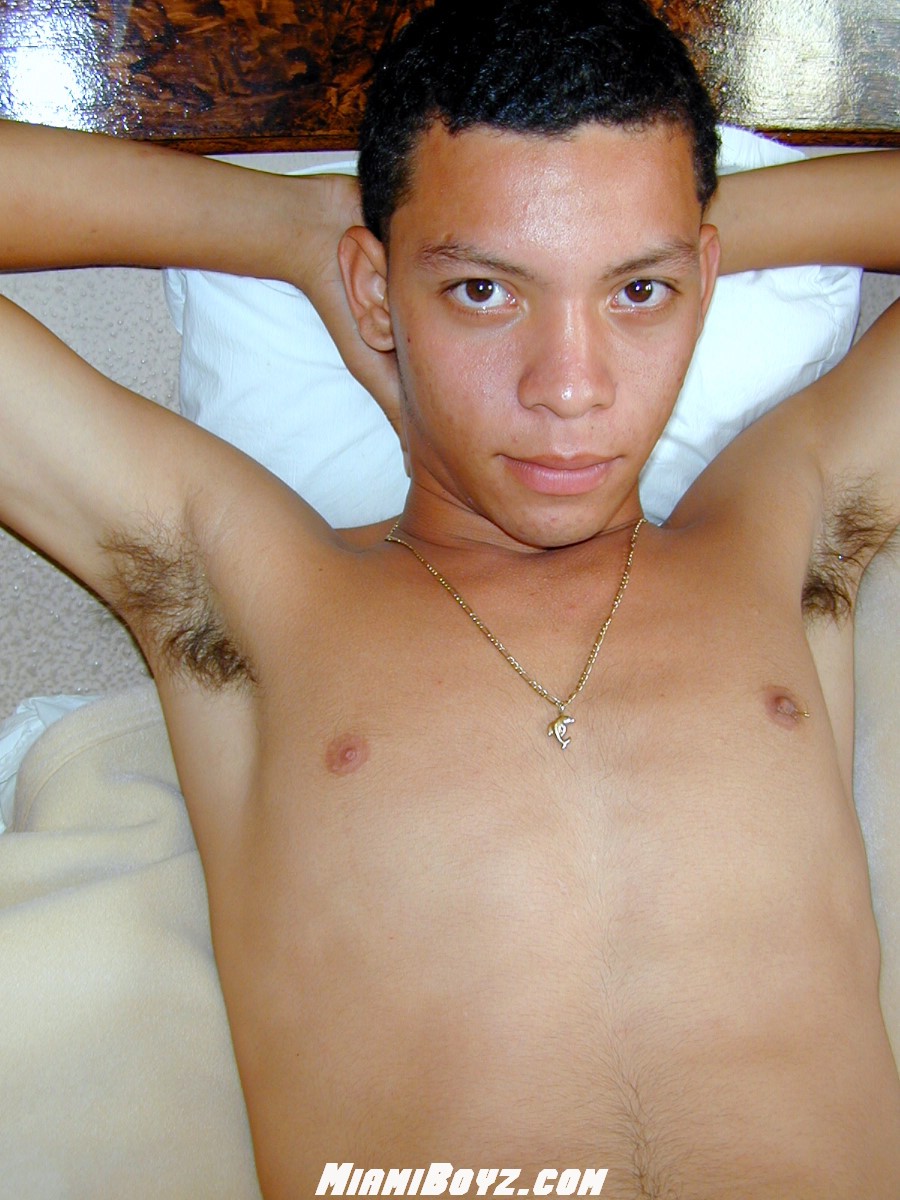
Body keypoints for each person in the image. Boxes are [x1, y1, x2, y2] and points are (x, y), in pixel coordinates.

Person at [0, 0, 898, 1195]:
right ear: (377, 295)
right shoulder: (250, 587)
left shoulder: (781, 535)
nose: (569, 388)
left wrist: (683, 228)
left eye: (638, 295)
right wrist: (287, 227)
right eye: (483, 291)